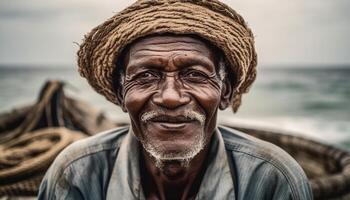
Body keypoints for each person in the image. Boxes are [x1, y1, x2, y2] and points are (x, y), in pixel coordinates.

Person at [38, 0, 313, 199]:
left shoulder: (272, 178)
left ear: (225, 92)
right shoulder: (76, 172)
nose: (170, 97)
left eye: (194, 75)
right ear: (121, 95)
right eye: (146, 76)